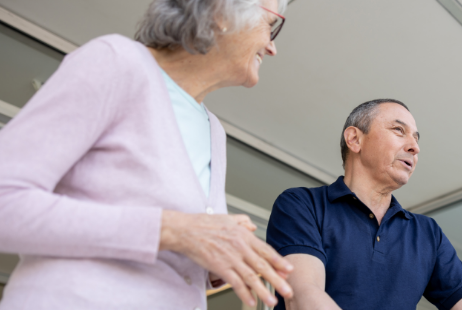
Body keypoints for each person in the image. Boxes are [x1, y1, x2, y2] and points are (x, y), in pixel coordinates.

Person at [0, 0, 294, 308]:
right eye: (271, 26)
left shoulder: (213, 130)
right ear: (220, 12)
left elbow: (179, 249)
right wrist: (172, 230)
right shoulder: (117, 62)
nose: (272, 48)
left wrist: (218, 260)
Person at [266, 99, 462, 309]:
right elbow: (303, 296)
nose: (415, 147)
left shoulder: (427, 233)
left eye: (416, 138)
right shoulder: (302, 204)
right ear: (355, 139)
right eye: (399, 130)